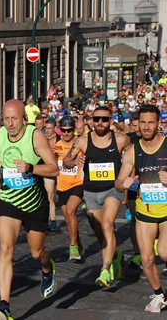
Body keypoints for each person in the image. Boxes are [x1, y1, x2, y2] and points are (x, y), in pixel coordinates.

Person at [0, 99, 59, 320]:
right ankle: (4, 305)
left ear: (24, 119)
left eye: (14, 118)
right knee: (5, 248)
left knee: (36, 253)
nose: (10, 123)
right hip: (9, 198)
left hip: (35, 203)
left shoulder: (34, 135)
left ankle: (48, 268)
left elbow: (54, 169)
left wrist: (31, 167)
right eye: (6, 118)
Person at [63, 106, 131, 288]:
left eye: (104, 119)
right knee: (101, 234)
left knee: (108, 225)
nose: (100, 123)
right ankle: (115, 256)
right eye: (97, 119)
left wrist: (128, 178)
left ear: (111, 121)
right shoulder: (83, 141)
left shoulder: (121, 139)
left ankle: (105, 270)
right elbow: (66, 161)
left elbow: (134, 157)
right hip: (91, 193)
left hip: (112, 190)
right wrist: (73, 162)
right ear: (91, 121)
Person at [115, 104, 167, 313]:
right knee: (146, 258)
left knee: (164, 251)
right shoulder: (132, 151)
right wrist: (124, 183)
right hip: (145, 211)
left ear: (159, 123)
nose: (146, 127)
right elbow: (119, 182)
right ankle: (158, 294)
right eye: (143, 122)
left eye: (150, 122)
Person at [54, 116, 84, 261]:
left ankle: (73, 247)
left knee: (71, 211)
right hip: (62, 186)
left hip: (78, 184)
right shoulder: (56, 145)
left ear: (74, 130)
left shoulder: (80, 144)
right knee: (67, 218)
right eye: (63, 130)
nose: (66, 133)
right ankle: (77, 242)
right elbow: (51, 163)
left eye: (69, 130)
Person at [44, 118, 60, 232]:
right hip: (48, 169)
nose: (48, 130)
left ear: (55, 128)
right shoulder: (43, 139)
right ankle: (52, 221)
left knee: (57, 194)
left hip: (61, 169)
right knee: (49, 195)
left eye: (50, 128)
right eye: (46, 128)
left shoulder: (59, 139)